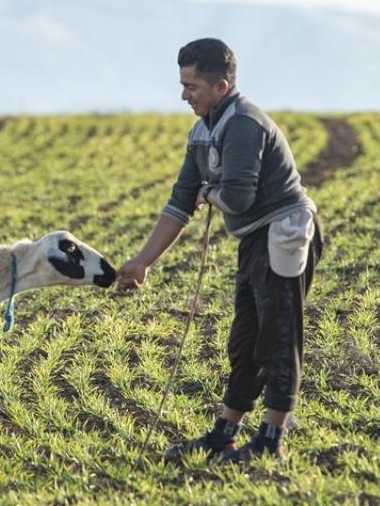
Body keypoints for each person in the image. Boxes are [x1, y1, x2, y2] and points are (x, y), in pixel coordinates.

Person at [118, 37, 323, 464]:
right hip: (255, 239)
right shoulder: (202, 131)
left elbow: (239, 198)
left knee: (278, 337)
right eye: (182, 85)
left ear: (222, 86)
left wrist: (210, 193)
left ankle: (271, 442)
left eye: (191, 87)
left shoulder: (245, 124)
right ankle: (224, 434)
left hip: (284, 232)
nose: (183, 95)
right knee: (245, 340)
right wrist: (142, 262)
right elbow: (180, 201)